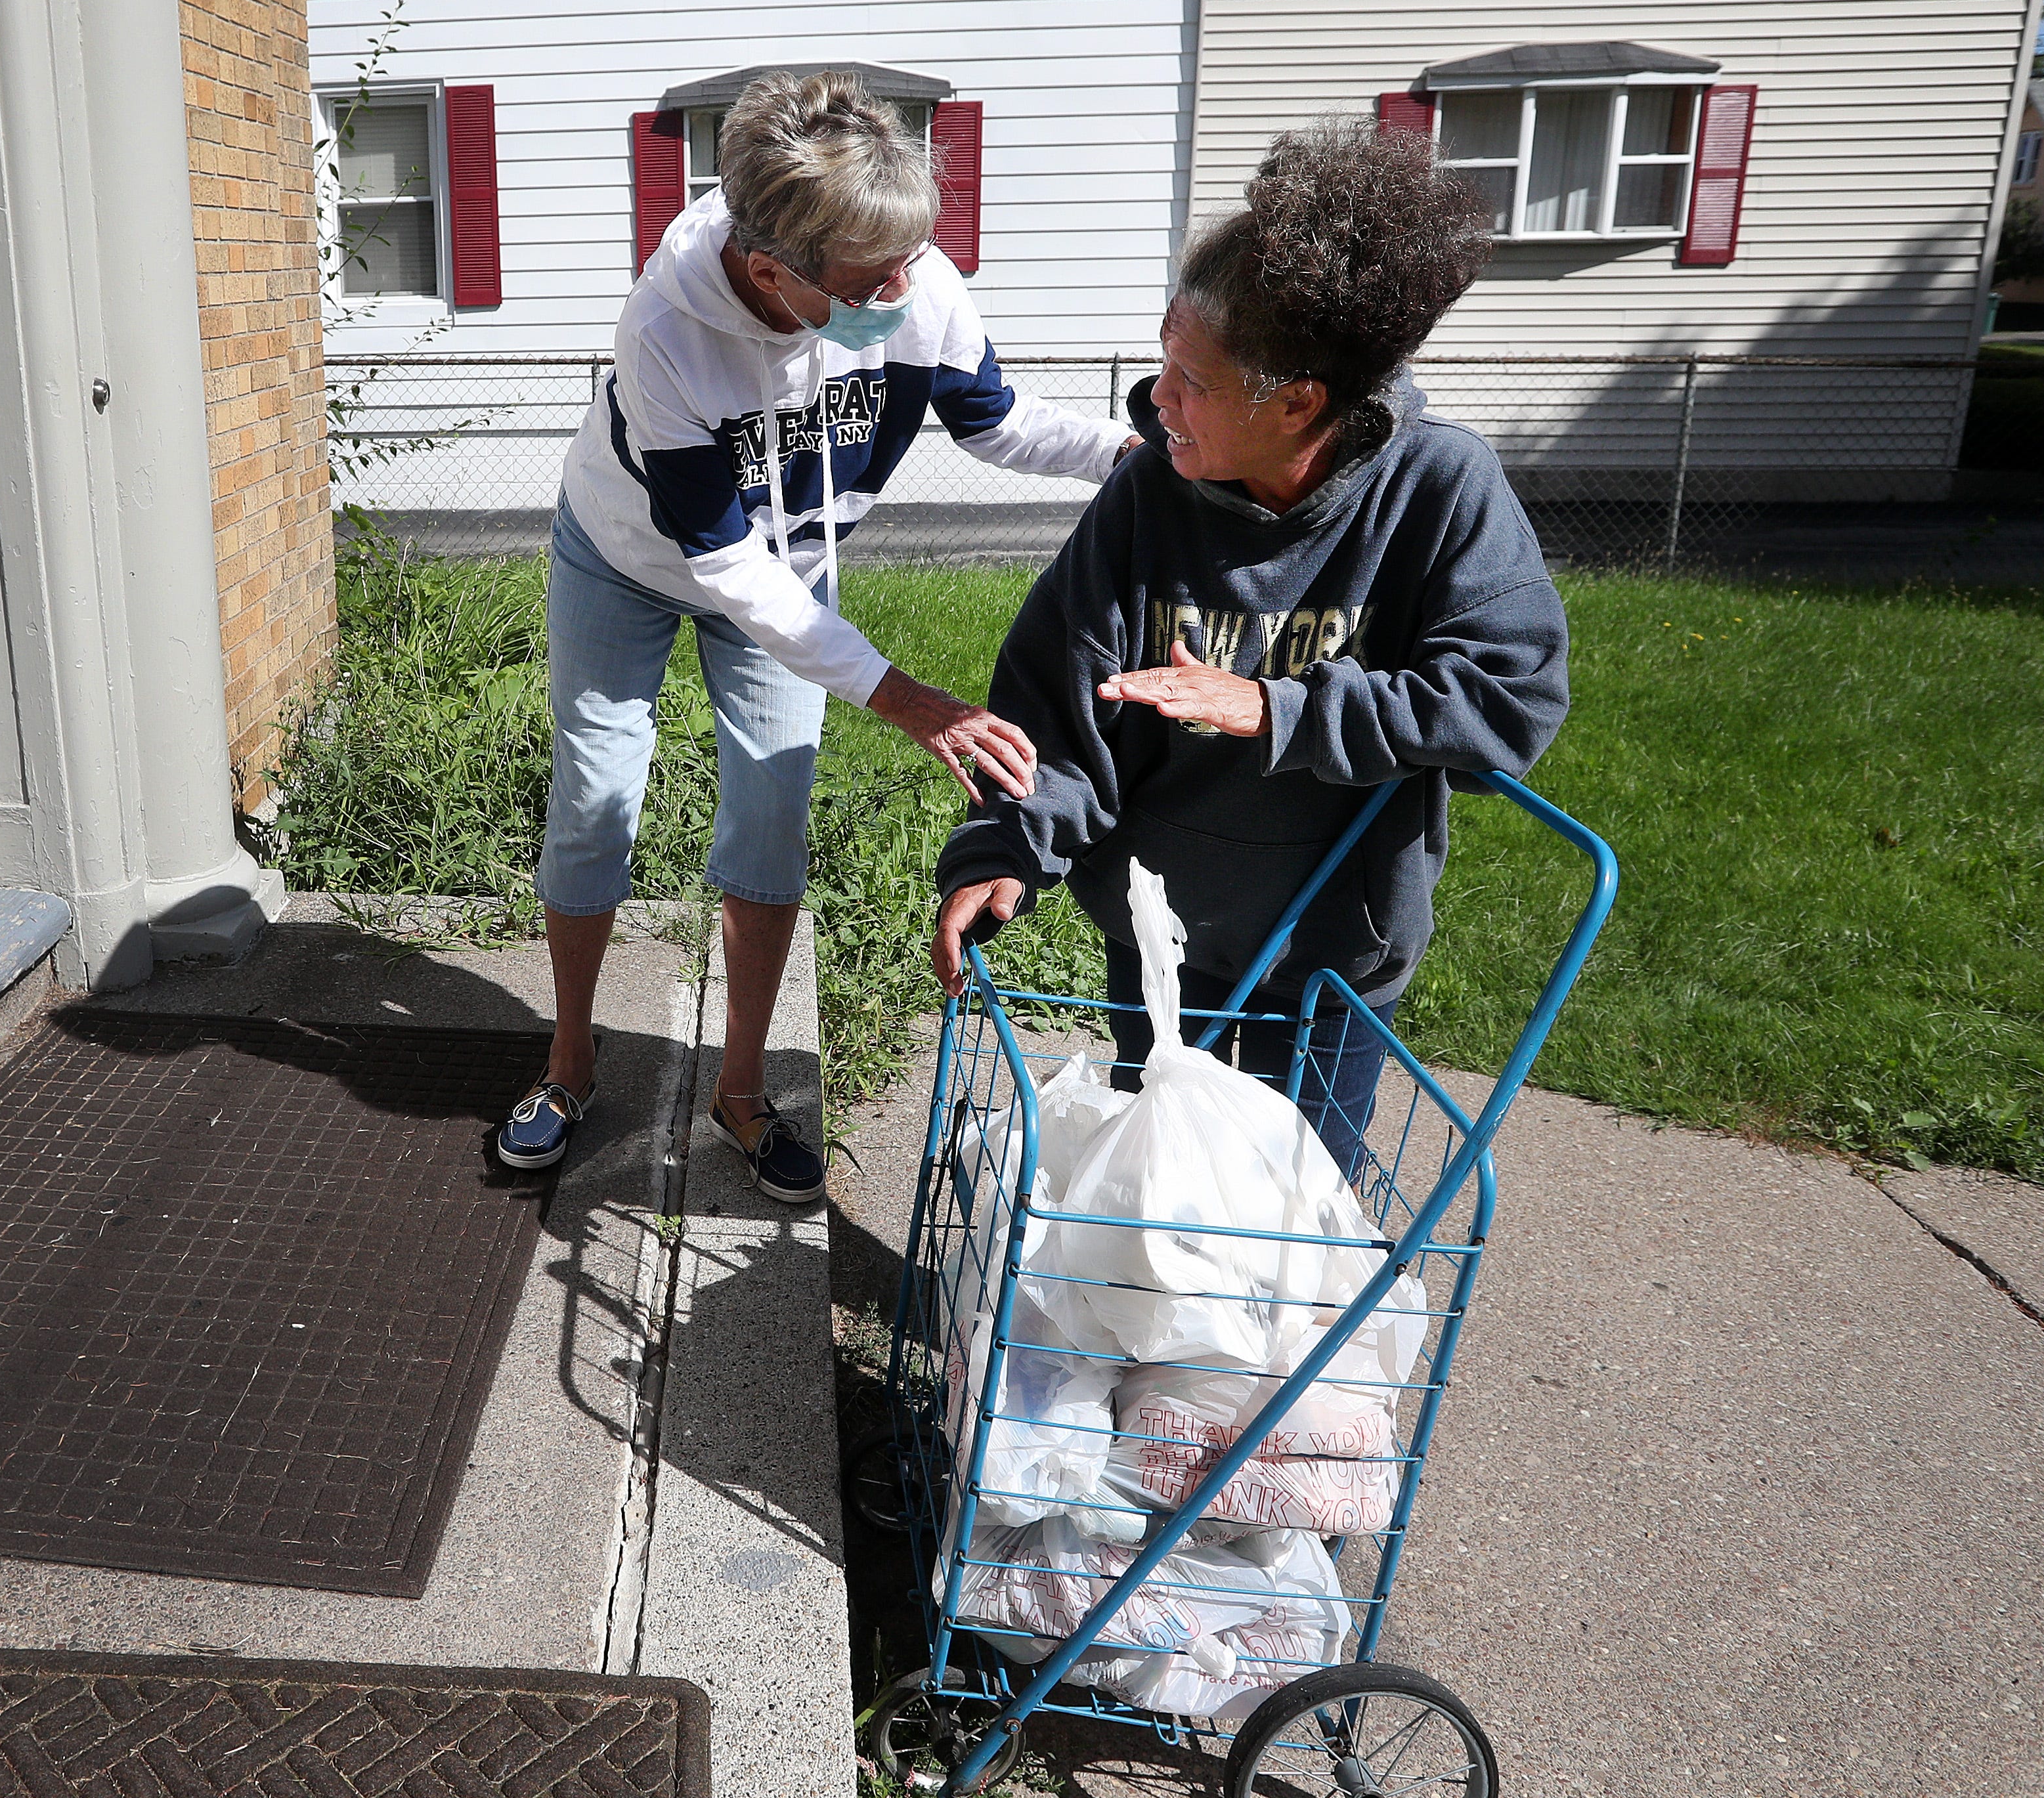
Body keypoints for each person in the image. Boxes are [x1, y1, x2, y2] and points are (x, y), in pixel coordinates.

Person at [498, 72, 1141, 1201]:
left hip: (785, 580)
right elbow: (723, 564)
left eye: (911, 259)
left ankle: (739, 1090)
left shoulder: (911, 279)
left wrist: (1139, 457)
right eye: (870, 278)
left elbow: (996, 425)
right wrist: (903, 698)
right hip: (627, 561)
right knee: (595, 797)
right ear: (769, 273)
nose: (906, 288)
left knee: (770, 819)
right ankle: (568, 1061)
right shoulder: (665, 333)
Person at [929, 120, 1569, 1176]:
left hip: (1333, 952)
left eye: (1188, 379)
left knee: (1291, 1217)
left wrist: (1279, 709)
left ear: (1297, 403)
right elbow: (1059, 709)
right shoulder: (1147, 496)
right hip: (1159, 938)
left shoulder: (1438, 489)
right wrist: (1006, 850)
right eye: (1161, 363)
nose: (1153, 401)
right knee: (1153, 1199)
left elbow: (1508, 703)